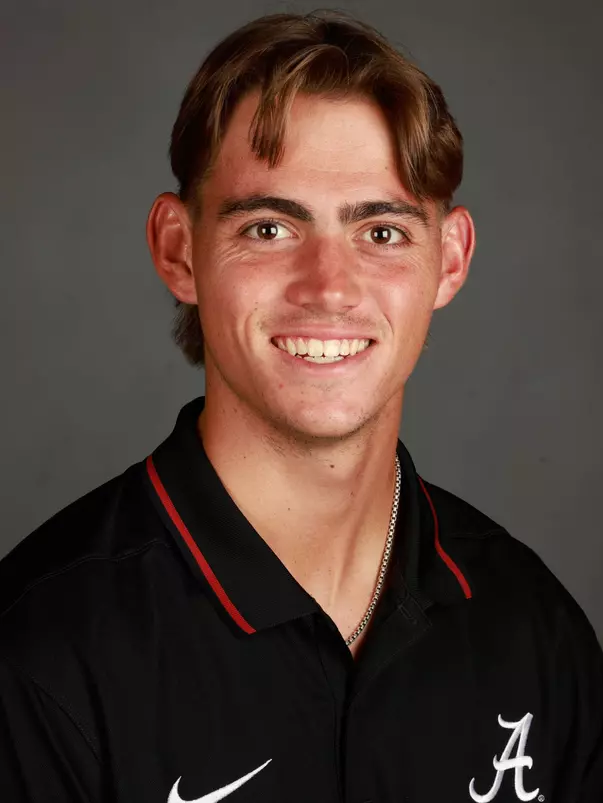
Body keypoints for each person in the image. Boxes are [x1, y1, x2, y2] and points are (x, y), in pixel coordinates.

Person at [1, 10, 601, 803]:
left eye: (381, 233)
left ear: (450, 259)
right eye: (269, 227)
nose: (329, 287)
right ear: (179, 251)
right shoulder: (40, 651)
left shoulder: (533, 630)